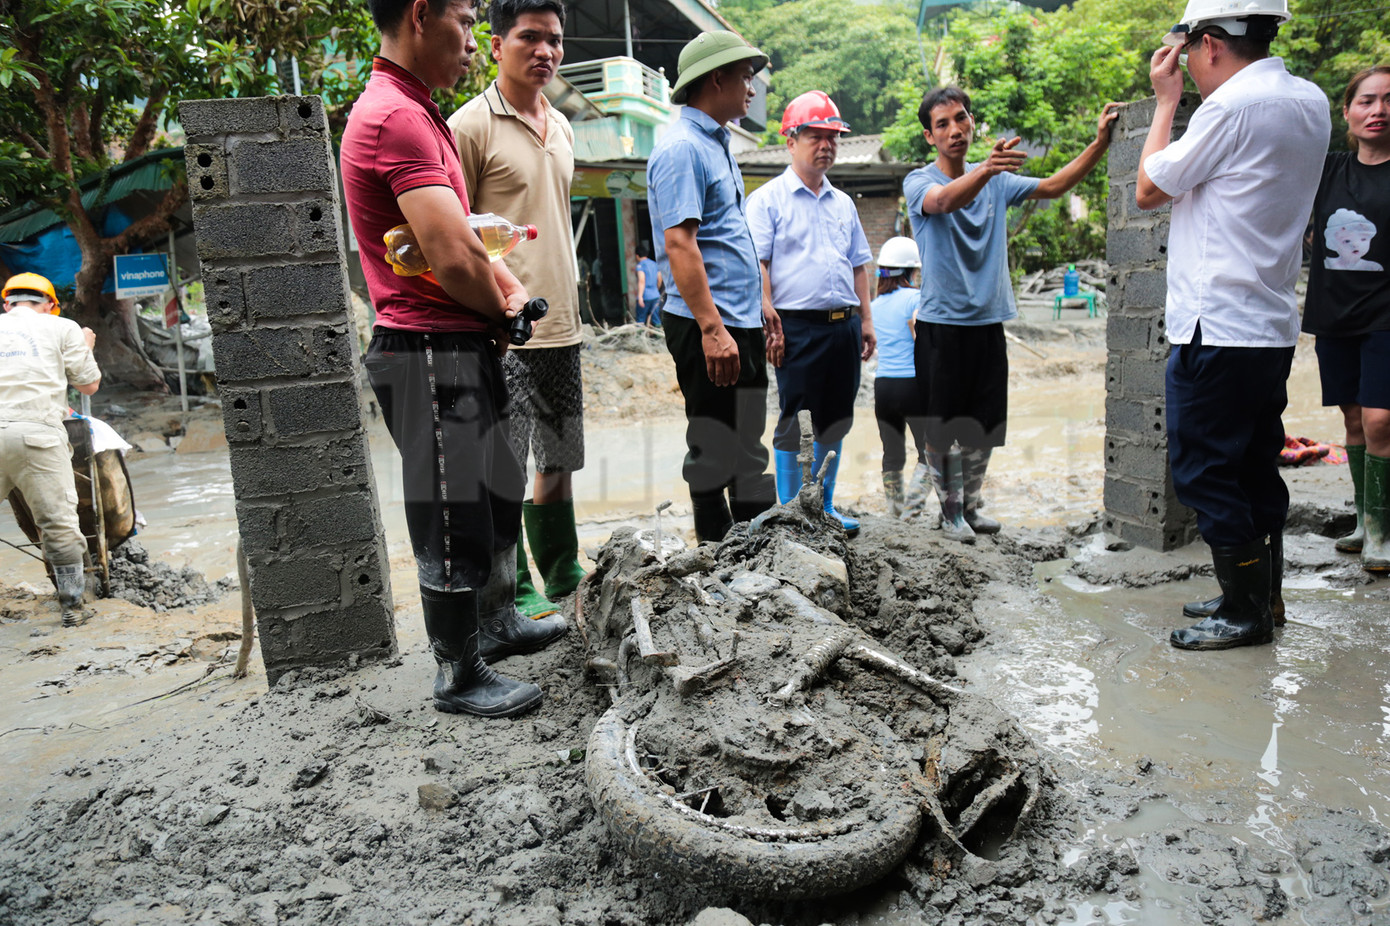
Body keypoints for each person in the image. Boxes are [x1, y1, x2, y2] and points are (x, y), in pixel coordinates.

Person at [341, 0, 566, 719]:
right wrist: (498, 308)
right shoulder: (395, 117)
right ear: (419, 15)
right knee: (450, 509)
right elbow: (447, 252)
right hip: (428, 343)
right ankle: (459, 671)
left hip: (457, 334)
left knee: (496, 489)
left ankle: (498, 623)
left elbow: (471, 238)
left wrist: (505, 296)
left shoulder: (419, 110)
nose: (474, 40)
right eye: (467, 21)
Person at [1137, 0, 1329, 650]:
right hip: (1267, 325)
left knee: (1204, 470)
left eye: (1188, 52)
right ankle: (1257, 596)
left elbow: (1149, 186)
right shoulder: (1310, 100)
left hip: (1214, 327)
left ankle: (1244, 614)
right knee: (1251, 464)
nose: (1186, 66)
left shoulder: (1231, 108)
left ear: (1212, 42)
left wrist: (1165, 104)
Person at [904, 87, 1120, 543]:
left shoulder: (997, 182)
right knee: (942, 428)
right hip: (942, 325)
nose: (954, 130)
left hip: (987, 323)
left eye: (960, 119)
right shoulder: (919, 182)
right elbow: (944, 202)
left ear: (972, 122)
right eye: (942, 124)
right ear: (929, 136)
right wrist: (985, 168)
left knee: (984, 426)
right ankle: (949, 513)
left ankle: (972, 505)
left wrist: (1100, 142)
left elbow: (1056, 185)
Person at [448, 0, 589, 623]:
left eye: (554, 40)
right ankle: (515, 586)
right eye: (529, 37)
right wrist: (492, 311)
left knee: (559, 455)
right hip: (507, 329)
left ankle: (561, 566)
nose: (545, 51)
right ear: (497, 42)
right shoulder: (469, 126)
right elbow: (454, 232)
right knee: (505, 465)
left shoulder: (562, 124)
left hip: (564, 325)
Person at [646, 30, 777, 542]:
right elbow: (680, 244)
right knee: (713, 442)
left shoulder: (717, 144)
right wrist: (712, 328)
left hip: (737, 319)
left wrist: (757, 307)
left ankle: (759, 546)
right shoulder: (681, 149)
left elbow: (726, 238)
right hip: (709, 321)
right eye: (746, 76)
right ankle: (718, 554)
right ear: (716, 77)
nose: (751, 88)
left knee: (747, 442)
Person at [747, 90, 875, 536]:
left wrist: (867, 321)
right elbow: (759, 263)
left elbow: (859, 264)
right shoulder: (768, 200)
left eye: (833, 137)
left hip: (844, 325)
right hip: (795, 325)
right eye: (816, 136)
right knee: (795, 416)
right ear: (791, 141)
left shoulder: (843, 203)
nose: (826, 145)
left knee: (836, 415)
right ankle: (790, 511)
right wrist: (767, 314)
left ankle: (823, 506)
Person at [1302, 65, 1390, 574]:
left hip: (1387, 316)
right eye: (1367, 101)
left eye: (1388, 100)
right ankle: (1363, 520)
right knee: (1354, 419)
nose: (1378, 110)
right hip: (1334, 314)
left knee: (1382, 419)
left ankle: (1382, 531)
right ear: (1348, 111)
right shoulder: (1326, 169)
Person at [0, 273, 101, 627]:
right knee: (57, 525)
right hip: (37, 436)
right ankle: (72, 607)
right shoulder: (63, 328)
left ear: (6, 303)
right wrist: (85, 345)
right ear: (50, 306)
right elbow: (88, 385)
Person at [868, 237, 928, 520]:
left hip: (884, 388)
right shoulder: (916, 298)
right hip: (913, 386)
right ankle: (911, 512)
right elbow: (920, 332)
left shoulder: (873, 305)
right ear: (911, 272)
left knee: (892, 454)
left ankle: (893, 513)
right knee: (930, 453)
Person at [634, 244, 662, 327]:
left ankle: (640, 339)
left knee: (640, 320)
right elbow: (660, 279)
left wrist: (640, 297)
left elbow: (641, 281)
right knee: (656, 319)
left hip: (645, 296)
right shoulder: (654, 264)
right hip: (655, 295)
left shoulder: (640, 265)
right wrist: (656, 289)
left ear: (637, 256)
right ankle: (659, 338)